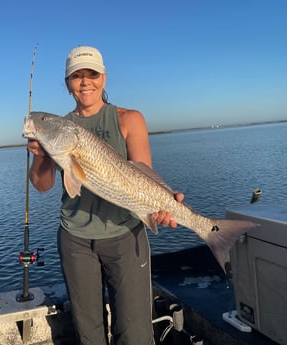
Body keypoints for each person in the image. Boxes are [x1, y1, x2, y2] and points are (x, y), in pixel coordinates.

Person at [27, 45, 184, 345]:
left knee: (134, 332)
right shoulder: (59, 128)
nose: (85, 82)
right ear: (67, 83)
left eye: (92, 74)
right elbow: (43, 185)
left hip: (126, 235)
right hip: (75, 239)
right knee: (89, 333)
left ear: (104, 78)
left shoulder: (129, 118)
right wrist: (39, 154)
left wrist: (162, 203)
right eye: (77, 76)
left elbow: (143, 175)